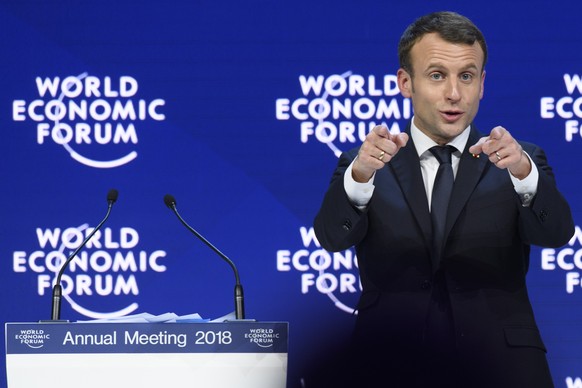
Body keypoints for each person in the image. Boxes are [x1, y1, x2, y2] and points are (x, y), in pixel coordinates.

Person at [313, 11, 574, 388]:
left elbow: (558, 233)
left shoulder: (518, 160)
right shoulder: (367, 162)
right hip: (389, 364)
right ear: (406, 82)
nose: (454, 94)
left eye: (466, 76)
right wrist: (360, 177)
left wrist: (523, 172)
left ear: (482, 84)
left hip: (500, 367)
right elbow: (331, 238)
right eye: (437, 75)